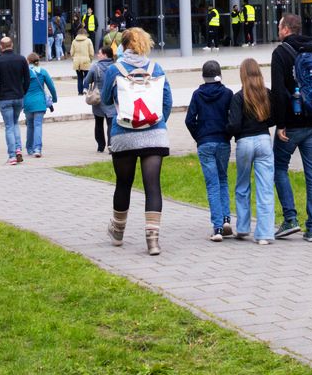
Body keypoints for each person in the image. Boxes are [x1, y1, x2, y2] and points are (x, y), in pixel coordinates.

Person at [104, 27, 172, 254]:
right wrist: (156, 124)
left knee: (123, 183)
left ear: (123, 46)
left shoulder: (114, 70)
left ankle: (118, 232)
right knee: (153, 187)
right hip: (154, 134)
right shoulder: (156, 68)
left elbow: (105, 99)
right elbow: (167, 102)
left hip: (123, 135)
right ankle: (153, 241)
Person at [270, 14, 312, 241]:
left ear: (286, 29)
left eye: (279, 26)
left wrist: (280, 124)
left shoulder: (280, 53)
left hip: (291, 124)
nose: (278, 30)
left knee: (279, 167)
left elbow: (278, 92)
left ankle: (290, 218)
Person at [227, 58, 278, 243]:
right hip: (264, 140)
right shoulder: (267, 94)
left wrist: (227, 131)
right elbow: (273, 119)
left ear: (242, 74)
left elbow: (234, 125)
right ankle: (264, 234)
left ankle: (242, 228)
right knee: (265, 188)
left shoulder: (238, 97)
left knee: (242, 185)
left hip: (244, 142)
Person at [185, 60, 236, 239]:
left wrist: (199, 136)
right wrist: (228, 134)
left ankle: (218, 228)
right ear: (220, 74)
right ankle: (226, 219)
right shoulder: (228, 94)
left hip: (205, 142)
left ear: (203, 76)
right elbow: (233, 118)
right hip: (223, 142)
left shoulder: (197, 95)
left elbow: (189, 120)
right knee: (223, 179)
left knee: (212, 184)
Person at [0, 35, 31, 166]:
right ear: (12, 45)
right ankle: (18, 149)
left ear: (1, 47)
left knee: (9, 126)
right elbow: (27, 79)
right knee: (15, 123)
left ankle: (12, 156)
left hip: (5, 98)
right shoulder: (21, 59)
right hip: (18, 96)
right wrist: (23, 92)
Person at [22, 51, 59, 159]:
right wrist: (54, 99)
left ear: (28, 61)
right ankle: (37, 149)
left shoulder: (24, 73)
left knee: (30, 125)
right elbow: (51, 86)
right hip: (40, 103)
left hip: (28, 103)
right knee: (38, 125)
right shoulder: (43, 72)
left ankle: (29, 148)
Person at [90, 43, 118, 154]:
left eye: (99, 53)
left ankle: (100, 146)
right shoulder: (116, 66)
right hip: (111, 98)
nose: (98, 55)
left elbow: (87, 81)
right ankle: (111, 145)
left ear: (105, 55)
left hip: (98, 98)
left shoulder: (95, 67)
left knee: (98, 122)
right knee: (111, 122)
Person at [71, 27, 96, 96]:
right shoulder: (88, 41)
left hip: (77, 62)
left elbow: (72, 52)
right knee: (87, 76)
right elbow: (91, 52)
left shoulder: (74, 41)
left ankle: (80, 92)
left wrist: (74, 59)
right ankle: (85, 88)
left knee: (79, 77)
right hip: (86, 60)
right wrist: (90, 59)